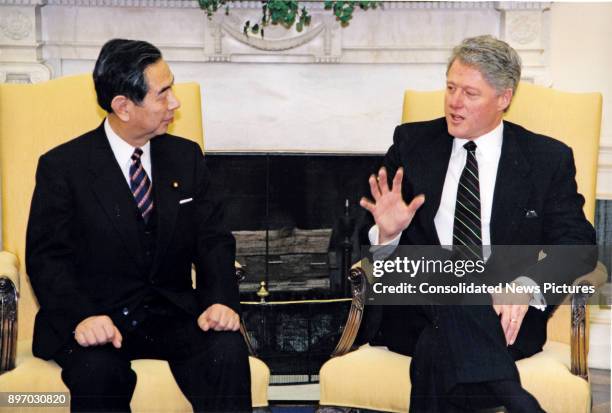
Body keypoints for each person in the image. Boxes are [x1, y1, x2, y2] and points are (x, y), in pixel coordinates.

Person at [359, 35, 597, 412]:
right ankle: (516, 400)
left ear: (504, 98)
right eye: (451, 87)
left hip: (505, 318)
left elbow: (577, 243)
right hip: (416, 307)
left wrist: (524, 287)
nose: (454, 102)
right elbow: (367, 236)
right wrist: (388, 233)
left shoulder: (545, 158)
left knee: (436, 351)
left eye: (470, 93)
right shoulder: (412, 143)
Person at [26, 39, 251, 413]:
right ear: (123, 107)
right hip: (99, 317)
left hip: (172, 316)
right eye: (163, 94)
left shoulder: (186, 157)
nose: (175, 103)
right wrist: (82, 317)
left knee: (226, 350)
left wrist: (219, 302)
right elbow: (47, 258)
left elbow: (213, 240)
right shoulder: (64, 167)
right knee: (99, 375)